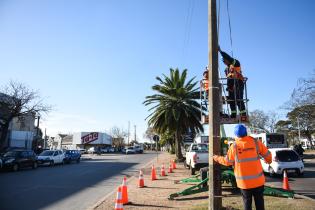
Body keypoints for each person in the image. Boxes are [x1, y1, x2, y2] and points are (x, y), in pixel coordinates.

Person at [213, 124, 272, 210]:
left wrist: (216, 158)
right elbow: (267, 154)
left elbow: (227, 162)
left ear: (236, 134)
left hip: (244, 183)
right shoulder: (255, 142)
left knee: (247, 203)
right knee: (260, 203)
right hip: (258, 182)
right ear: (246, 132)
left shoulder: (234, 146)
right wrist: (268, 161)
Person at [219, 47, 246, 118]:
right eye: (223, 62)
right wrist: (229, 87)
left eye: (225, 61)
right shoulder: (227, 69)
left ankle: (243, 114)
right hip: (231, 86)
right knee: (232, 100)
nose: (224, 62)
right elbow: (229, 78)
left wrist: (221, 51)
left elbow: (229, 58)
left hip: (238, 83)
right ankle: (233, 113)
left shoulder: (236, 63)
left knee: (239, 99)